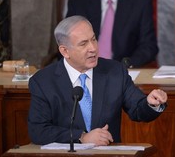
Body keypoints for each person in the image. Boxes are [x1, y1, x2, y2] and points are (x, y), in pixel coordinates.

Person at [28, 15, 167, 145]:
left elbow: (138, 109)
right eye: (83, 44)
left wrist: (151, 103)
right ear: (65, 51)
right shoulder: (43, 81)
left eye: (93, 39)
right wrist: (81, 137)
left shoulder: (115, 71)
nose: (93, 48)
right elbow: (39, 131)